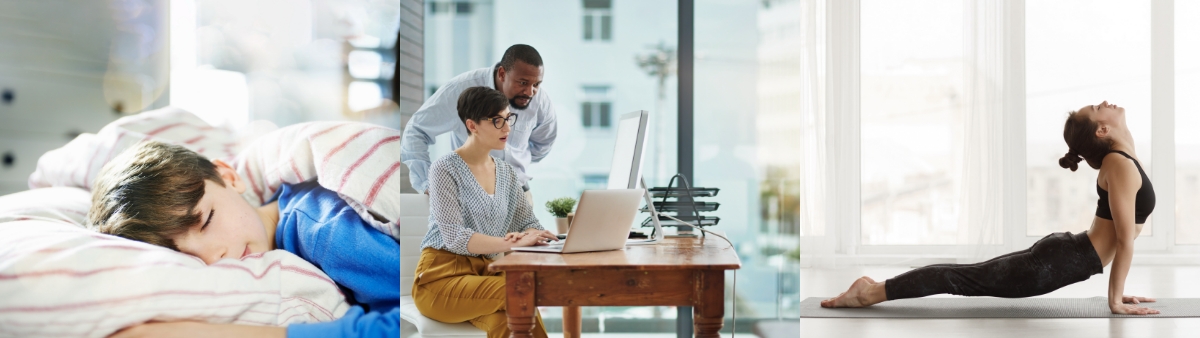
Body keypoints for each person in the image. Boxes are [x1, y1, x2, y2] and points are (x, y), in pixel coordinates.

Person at [821, 100, 1160, 316]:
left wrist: (1118, 291)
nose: (1104, 103)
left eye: (1097, 106)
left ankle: (872, 287)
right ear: (1103, 129)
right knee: (960, 278)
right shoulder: (1119, 164)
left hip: (1064, 256)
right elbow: (1125, 240)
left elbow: (1118, 239)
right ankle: (867, 294)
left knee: (964, 275)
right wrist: (1114, 301)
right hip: (1056, 262)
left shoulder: (1121, 161)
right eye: (1097, 108)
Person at [89, 141, 400, 337]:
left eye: (207, 220)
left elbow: (423, 324)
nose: (214, 256)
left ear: (228, 176)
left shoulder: (322, 230)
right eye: (186, 257)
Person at [413, 86, 558, 338]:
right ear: (472, 125)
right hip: (441, 279)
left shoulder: (507, 173)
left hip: (486, 276)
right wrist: (508, 242)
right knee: (520, 291)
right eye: (497, 120)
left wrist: (535, 234)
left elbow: (527, 222)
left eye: (508, 118)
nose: (507, 128)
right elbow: (455, 236)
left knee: (514, 322)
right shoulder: (444, 169)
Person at [402, 44, 557, 202]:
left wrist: (518, 161)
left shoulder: (540, 100)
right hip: (470, 198)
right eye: (523, 83)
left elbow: (543, 143)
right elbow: (415, 131)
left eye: (536, 84)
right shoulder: (460, 90)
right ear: (502, 74)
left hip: (519, 196)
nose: (530, 92)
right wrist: (427, 184)